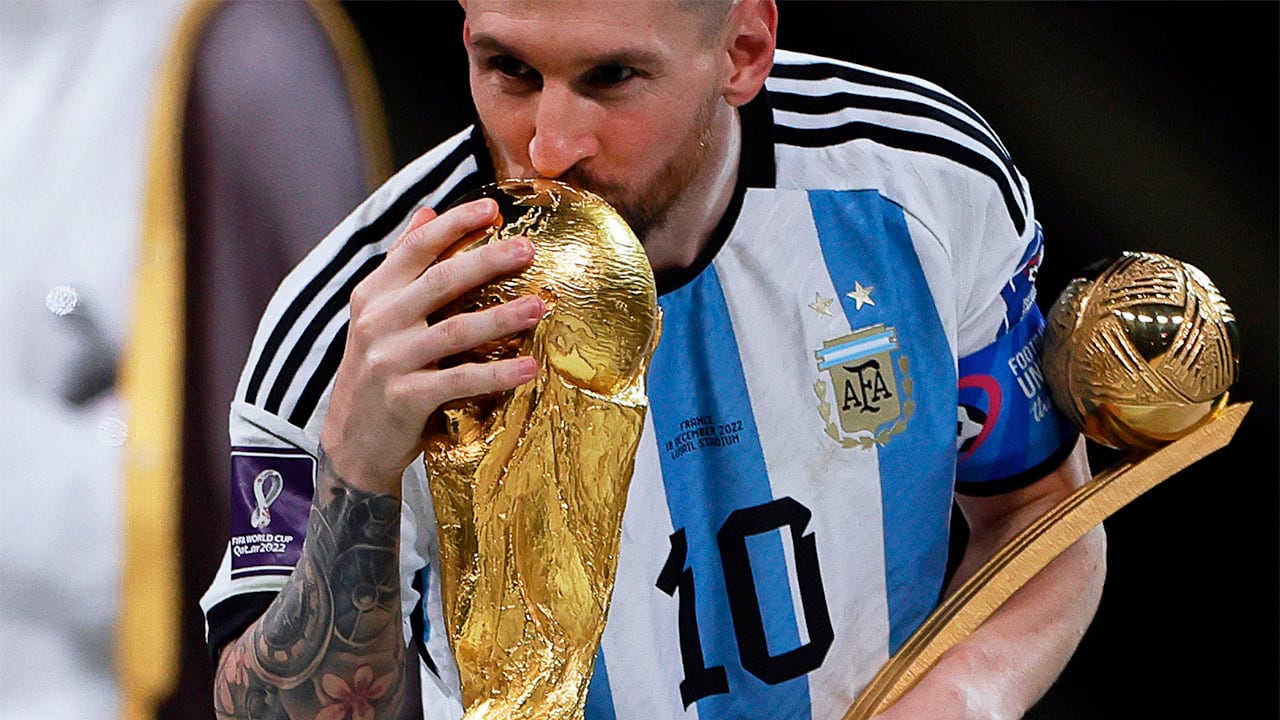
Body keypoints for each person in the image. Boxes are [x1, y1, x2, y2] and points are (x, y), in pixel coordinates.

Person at [200, 1, 1106, 718]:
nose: (549, 148)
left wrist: (964, 697)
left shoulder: (925, 183)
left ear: (744, 49)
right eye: (509, 69)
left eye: (611, 78)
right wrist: (358, 468)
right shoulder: (350, 325)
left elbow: (1038, 509)